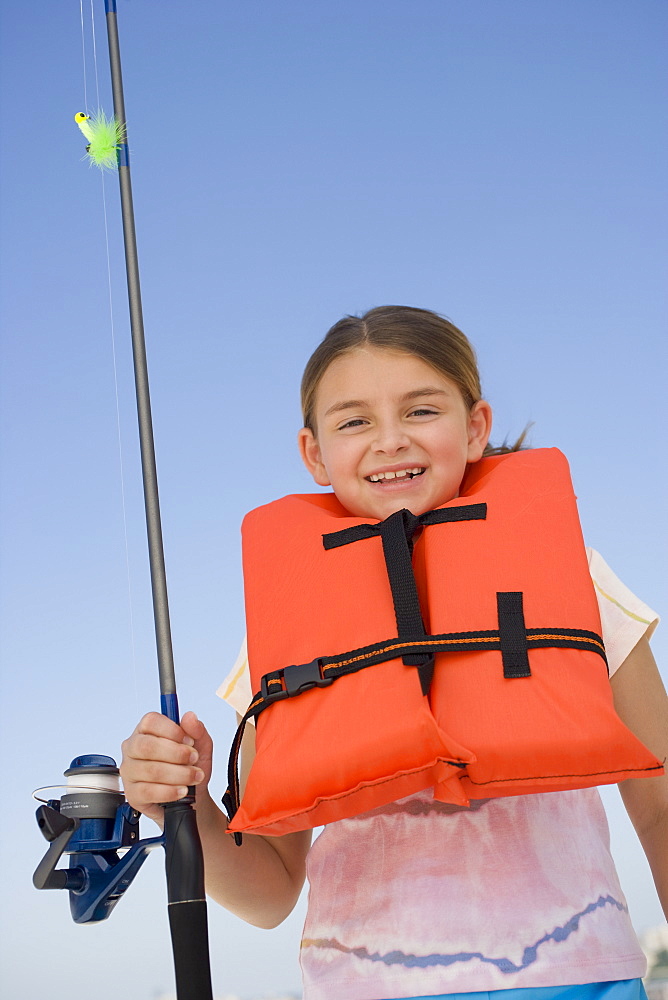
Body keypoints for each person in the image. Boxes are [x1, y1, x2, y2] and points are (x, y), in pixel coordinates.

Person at [121, 306, 668, 1000]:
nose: (389, 441)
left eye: (420, 410)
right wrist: (186, 802)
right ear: (314, 453)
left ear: (474, 428)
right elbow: (269, 891)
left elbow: (660, 806)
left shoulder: (572, 576)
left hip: (579, 978)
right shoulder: (285, 634)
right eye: (354, 421)